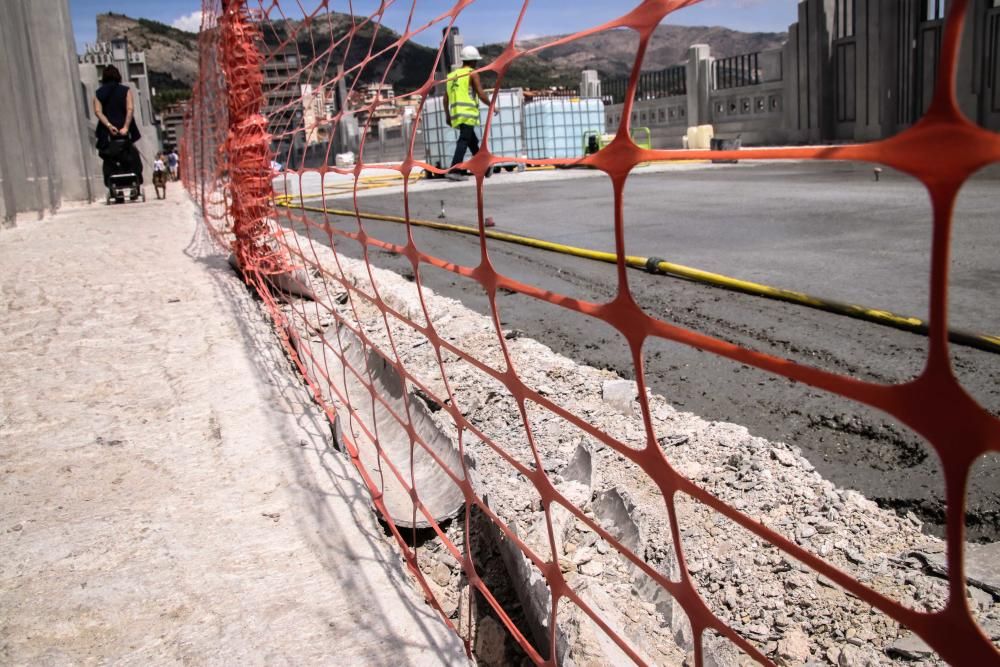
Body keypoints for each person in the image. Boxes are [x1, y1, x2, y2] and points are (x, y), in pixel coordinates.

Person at [444, 45, 495, 181]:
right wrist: (492, 106)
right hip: (467, 112)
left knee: (472, 141)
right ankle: (455, 170)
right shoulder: (472, 73)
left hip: (456, 113)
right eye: (476, 61)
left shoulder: (451, 76)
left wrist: (447, 115)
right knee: (464, 140)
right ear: (472, 61)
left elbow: (445, 98)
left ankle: (485, 167)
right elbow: (480, 93)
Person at [93, 65, 143, 197]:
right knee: (131, 154)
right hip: (125, 130)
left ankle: (114, 187)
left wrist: (109, 126)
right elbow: (130, 109)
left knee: (109, 158)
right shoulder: (125, 90)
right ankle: (135, 184)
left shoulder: (99, 93)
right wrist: (126, 127)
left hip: (107, 132)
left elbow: (97, 112)